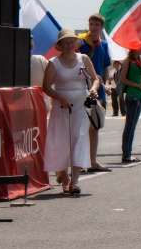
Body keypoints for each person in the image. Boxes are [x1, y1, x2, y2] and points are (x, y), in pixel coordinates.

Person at [42, 29, 100, 197]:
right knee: (61, 142)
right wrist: (59, 97)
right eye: (64, 42)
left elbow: (95, 78)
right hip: (61, 109)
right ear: (59, 45)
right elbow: (46, 87)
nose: (68, 45)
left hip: (81, 106)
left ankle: (74, 181)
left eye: (71, 41)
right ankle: (63, 176)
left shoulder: (84, 59)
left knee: (79, 139)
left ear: (76, 43)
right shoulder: (53, 63)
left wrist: (93, 90)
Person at [78, 14, 112, 173]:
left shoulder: (104, 45)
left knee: (95, 127)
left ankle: (93, 161)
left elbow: (105, 67)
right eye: (91, 24)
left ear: (101, 27)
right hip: (83, 89)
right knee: (81, 127)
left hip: (100, 91)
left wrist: (106, 83)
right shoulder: (81, 43)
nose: (93, 27)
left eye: (96, 25)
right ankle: (80, 162)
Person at [119, 48, 141, 163]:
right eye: (140, 46)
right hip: (132, 96)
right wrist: (140, 86)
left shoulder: (139, 61)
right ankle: (126, 155)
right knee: (130, 126)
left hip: (139, 97)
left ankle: (127, 154)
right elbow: (123, 79)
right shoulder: (128, 61)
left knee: (131, 127)